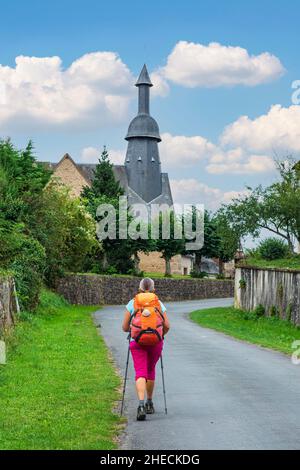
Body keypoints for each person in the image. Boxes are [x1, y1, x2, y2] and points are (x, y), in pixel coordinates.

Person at [122, 277, 170, 421]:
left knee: (140, 372)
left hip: (137, 342)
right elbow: (167, 326)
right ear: (153, 289)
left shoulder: (132, 303)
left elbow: (125, 328)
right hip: (156, 342)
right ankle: (149, 403)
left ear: (139, 288)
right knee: (150, 370)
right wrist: (161, 335)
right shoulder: (158, 303)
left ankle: (141, 405)